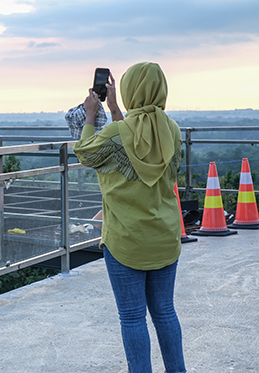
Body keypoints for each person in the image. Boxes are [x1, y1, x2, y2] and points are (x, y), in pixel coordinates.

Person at [73, 62, 186, 373]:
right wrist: (115, 111)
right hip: (165, 237)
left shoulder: (115, 133)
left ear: (129, 90)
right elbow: (139, 145)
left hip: (126, 241)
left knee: (133, 316)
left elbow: (86, 153)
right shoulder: (173, 131)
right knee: (165, 312)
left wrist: (92, 117)